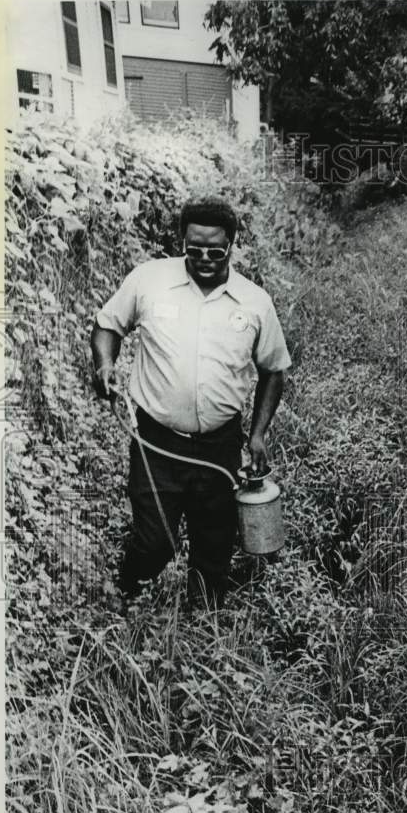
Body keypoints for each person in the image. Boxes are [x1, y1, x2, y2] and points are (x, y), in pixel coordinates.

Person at [90, 196, 292, 607]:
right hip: (157, 442)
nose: (203, 258)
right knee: (154, 541)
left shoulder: (254, 303)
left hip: (220, 446)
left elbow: (274, 370)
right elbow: (107, 325)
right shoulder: (148, 280)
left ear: (231, 246)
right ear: (182, 239)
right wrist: (105, 365)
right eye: (193, 248)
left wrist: (257, 436)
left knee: (213, 549)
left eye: (215, 251)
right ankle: (120, 602)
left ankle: (205, 630)